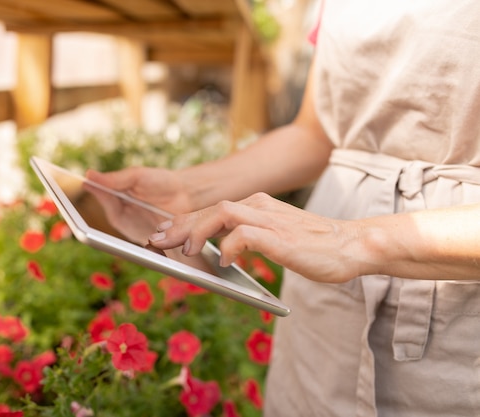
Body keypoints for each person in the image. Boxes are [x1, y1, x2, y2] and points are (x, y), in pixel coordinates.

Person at [87, 0, 480, 415]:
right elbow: (317, 134)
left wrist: (355, 239)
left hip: (451, 311)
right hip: (324, 299)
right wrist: (188, 190)